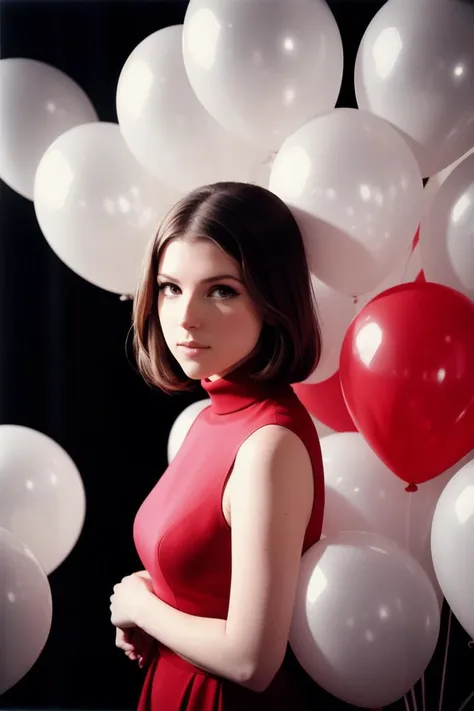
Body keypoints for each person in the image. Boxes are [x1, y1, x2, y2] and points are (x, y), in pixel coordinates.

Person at [109, 181, 326, 710]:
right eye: (170, 287)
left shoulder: (268, 442)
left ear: (273, 300)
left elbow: (253, 661)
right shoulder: (210, 418)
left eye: (221, 290)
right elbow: (209, 576)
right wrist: (156, 597)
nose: (185, 317)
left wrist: (141, 606)